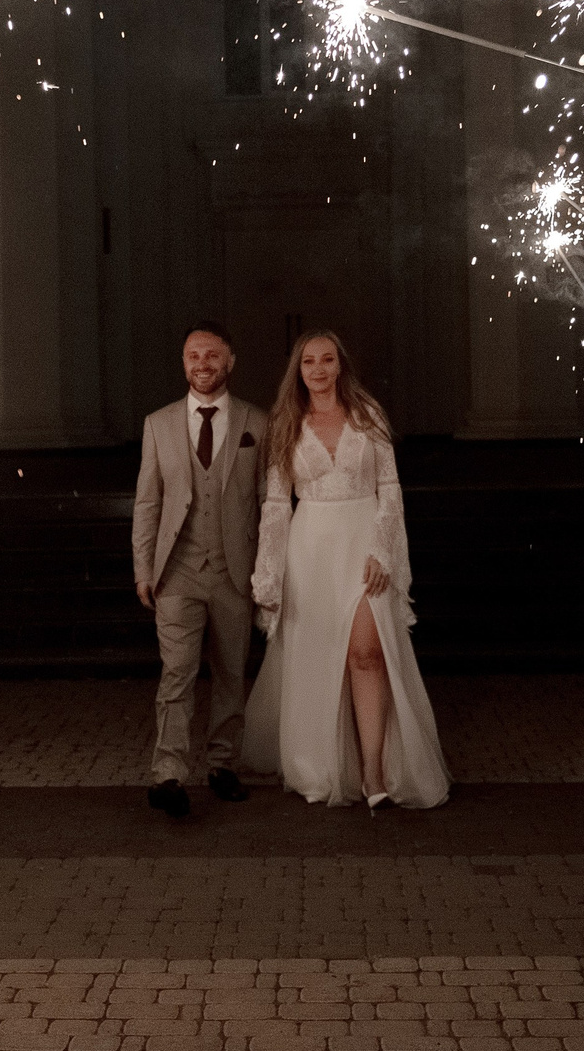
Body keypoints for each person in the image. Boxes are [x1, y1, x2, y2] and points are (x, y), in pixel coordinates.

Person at [241, 331, 448, 808]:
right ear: (298, 370)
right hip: (311, 549)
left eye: (327, 359)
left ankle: (374, 773)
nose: (318, 369)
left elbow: (390, 488)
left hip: (363, 543)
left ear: (340, 366)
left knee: (367, 653)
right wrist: (268, 574)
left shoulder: (368, 415)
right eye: (308, 361)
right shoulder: (286, 423)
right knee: (318, 660)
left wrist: (383, 551)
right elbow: (277, 504)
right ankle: (322, 766)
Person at [131, 323, 266, 818]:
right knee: (177, 672)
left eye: (212, 355)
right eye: (193, 355)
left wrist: (267, 572)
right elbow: (148, 502)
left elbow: (269, 503)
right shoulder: (158, 424)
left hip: (235, 570)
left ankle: (222, 765)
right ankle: (168, 774)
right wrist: (143, 568)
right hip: (177, 571)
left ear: (230, 361)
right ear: (183, 362)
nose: (202, 363)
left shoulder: (257, 422)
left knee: (231, 672)